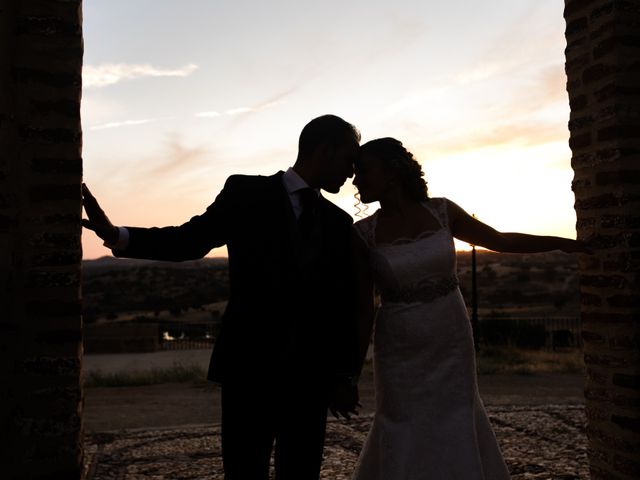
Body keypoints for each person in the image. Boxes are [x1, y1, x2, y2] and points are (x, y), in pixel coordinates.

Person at [81, 114, 362, 480]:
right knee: (244, 470)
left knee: (303, 472)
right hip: (249, 366)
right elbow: (189, 240)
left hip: (310, 376)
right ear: (325, 151)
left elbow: (339, 307)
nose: (352, 172)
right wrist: (118, 235)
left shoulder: (339, 223)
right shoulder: (245, 193)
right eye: (348, 159)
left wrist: (343, 376)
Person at [349, 137, 588, 480]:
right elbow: (362, 308)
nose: (356, 181)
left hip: (450, 337)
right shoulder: (363, 233)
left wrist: (563, 244)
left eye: (364, 171)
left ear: (392, 172)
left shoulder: (442, 210)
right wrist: (350, 374)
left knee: (455, 414)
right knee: (402, 419)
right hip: (399, 346)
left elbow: (501, 241)